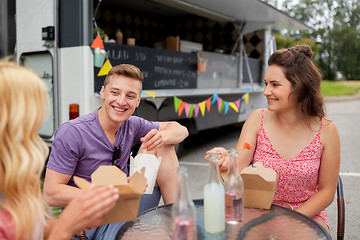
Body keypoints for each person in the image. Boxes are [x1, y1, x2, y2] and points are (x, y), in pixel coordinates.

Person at [43, 64, 189, 239]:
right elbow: (51, 194)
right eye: (115, 92)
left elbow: (181, 130)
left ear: (137, 101)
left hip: (123, 208)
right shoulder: (72, 132)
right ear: (103, 93)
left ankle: (179, 225)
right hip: (89, 223)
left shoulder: (132, 124)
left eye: (130, 96)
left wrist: (161, 138)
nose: (121, 101)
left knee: (164, 144)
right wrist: (110, 193)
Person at [206, 45, 340, 231]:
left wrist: (292, 219)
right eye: (265, 83)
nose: (266, 91)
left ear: (300, 86)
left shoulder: (327, 130)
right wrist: (223, 159)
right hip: (258, 212)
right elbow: (237, 164)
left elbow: (327, 192)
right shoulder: (257, 119)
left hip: (306, 215)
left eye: (275, 85)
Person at [0, 61, 119, 240]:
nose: (38, 126)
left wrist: (73, 221)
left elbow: (28, 230)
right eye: (30, 122)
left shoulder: (18, 175)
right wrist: (63, 228)